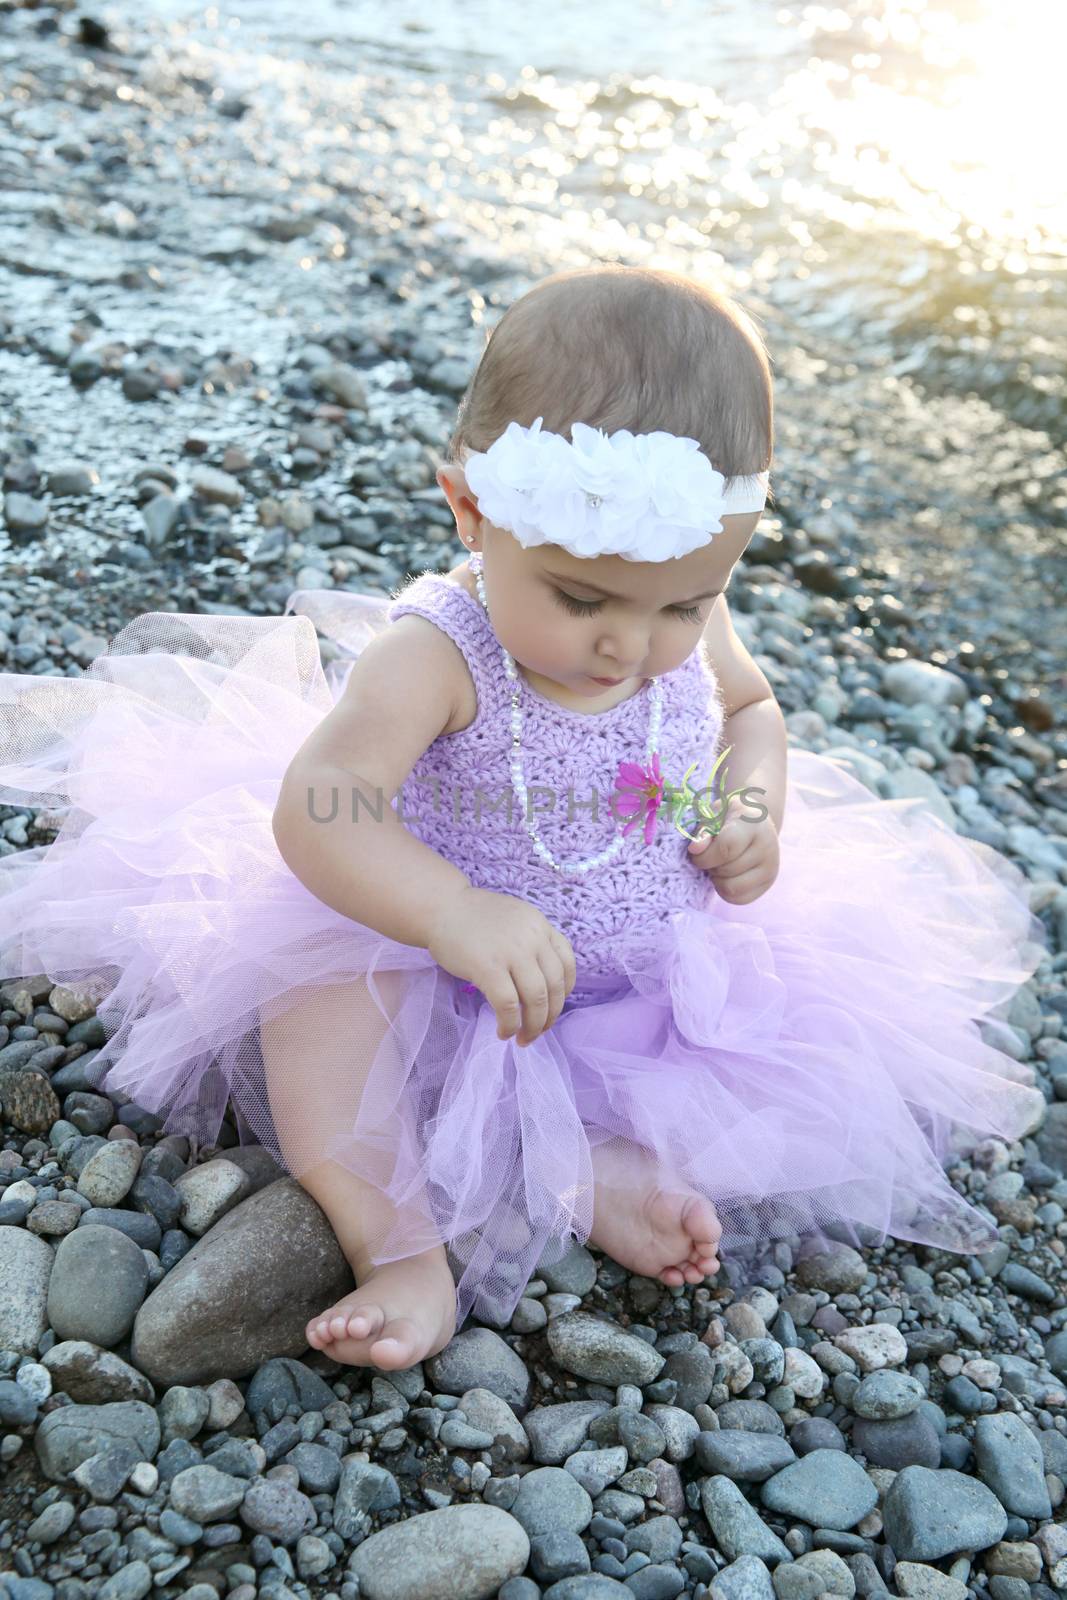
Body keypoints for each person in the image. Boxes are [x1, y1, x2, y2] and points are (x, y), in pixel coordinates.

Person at [0, 265, 1047, 1376]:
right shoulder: (440, 655)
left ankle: (592, 1166)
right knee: (317, 1011)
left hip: (640, 966)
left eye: (681, 606)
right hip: (438, 960)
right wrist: (451, 912)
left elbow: (749, 709)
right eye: (582, 599)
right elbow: (318, 810)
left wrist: (750, 810)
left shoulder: (677, 605)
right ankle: (395, 1247)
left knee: (733, 1050)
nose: (629, 648)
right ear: (470, 510)